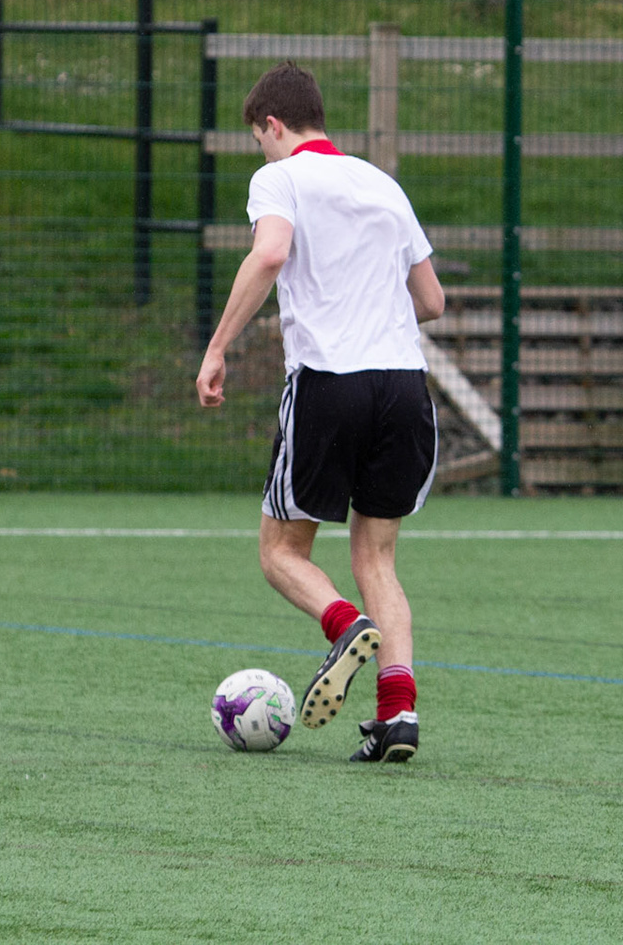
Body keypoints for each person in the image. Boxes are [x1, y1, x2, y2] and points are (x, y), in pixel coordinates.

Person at [195, 61, 444, 763]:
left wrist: (217, 348)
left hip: (331, 382)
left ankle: (342, 624)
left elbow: (270, 252)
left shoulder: (281, 178)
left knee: (281, 553)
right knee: (378, 556)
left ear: (273, 125)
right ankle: (398, 716)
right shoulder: (383, 185)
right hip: (403, 385)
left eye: (259, 139)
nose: (261, 152)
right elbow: (432, 302)